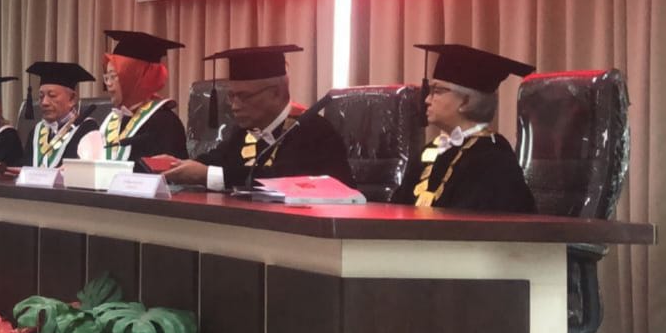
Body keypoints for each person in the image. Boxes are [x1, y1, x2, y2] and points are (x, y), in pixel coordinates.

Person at [158, 45, 354, 190]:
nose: (234, 106)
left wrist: (207, 175)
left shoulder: (313, 131)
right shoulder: (244, 132)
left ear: (276, 93)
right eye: (231, 96)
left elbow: (281, 179)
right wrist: (177, 165)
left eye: (244, 96)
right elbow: (215, 160)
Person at [397, 43, 537, 212]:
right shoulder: (432, 150)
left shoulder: (493, 159)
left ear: (465, 101)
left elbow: (474, 222)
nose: (427, 99)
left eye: (437, 91)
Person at [97, 30, 188, 172]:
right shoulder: (113, 119)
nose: (108, 83)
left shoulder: (165, 123)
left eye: (114, 76)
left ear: (136, 78)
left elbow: (171, 176)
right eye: (106, 77)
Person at [23, 61, 98, 168]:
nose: (44, 102)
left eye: (52, 95)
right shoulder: (35, 132)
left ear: (72, 99)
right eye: (41, 96)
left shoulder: (87, 130)